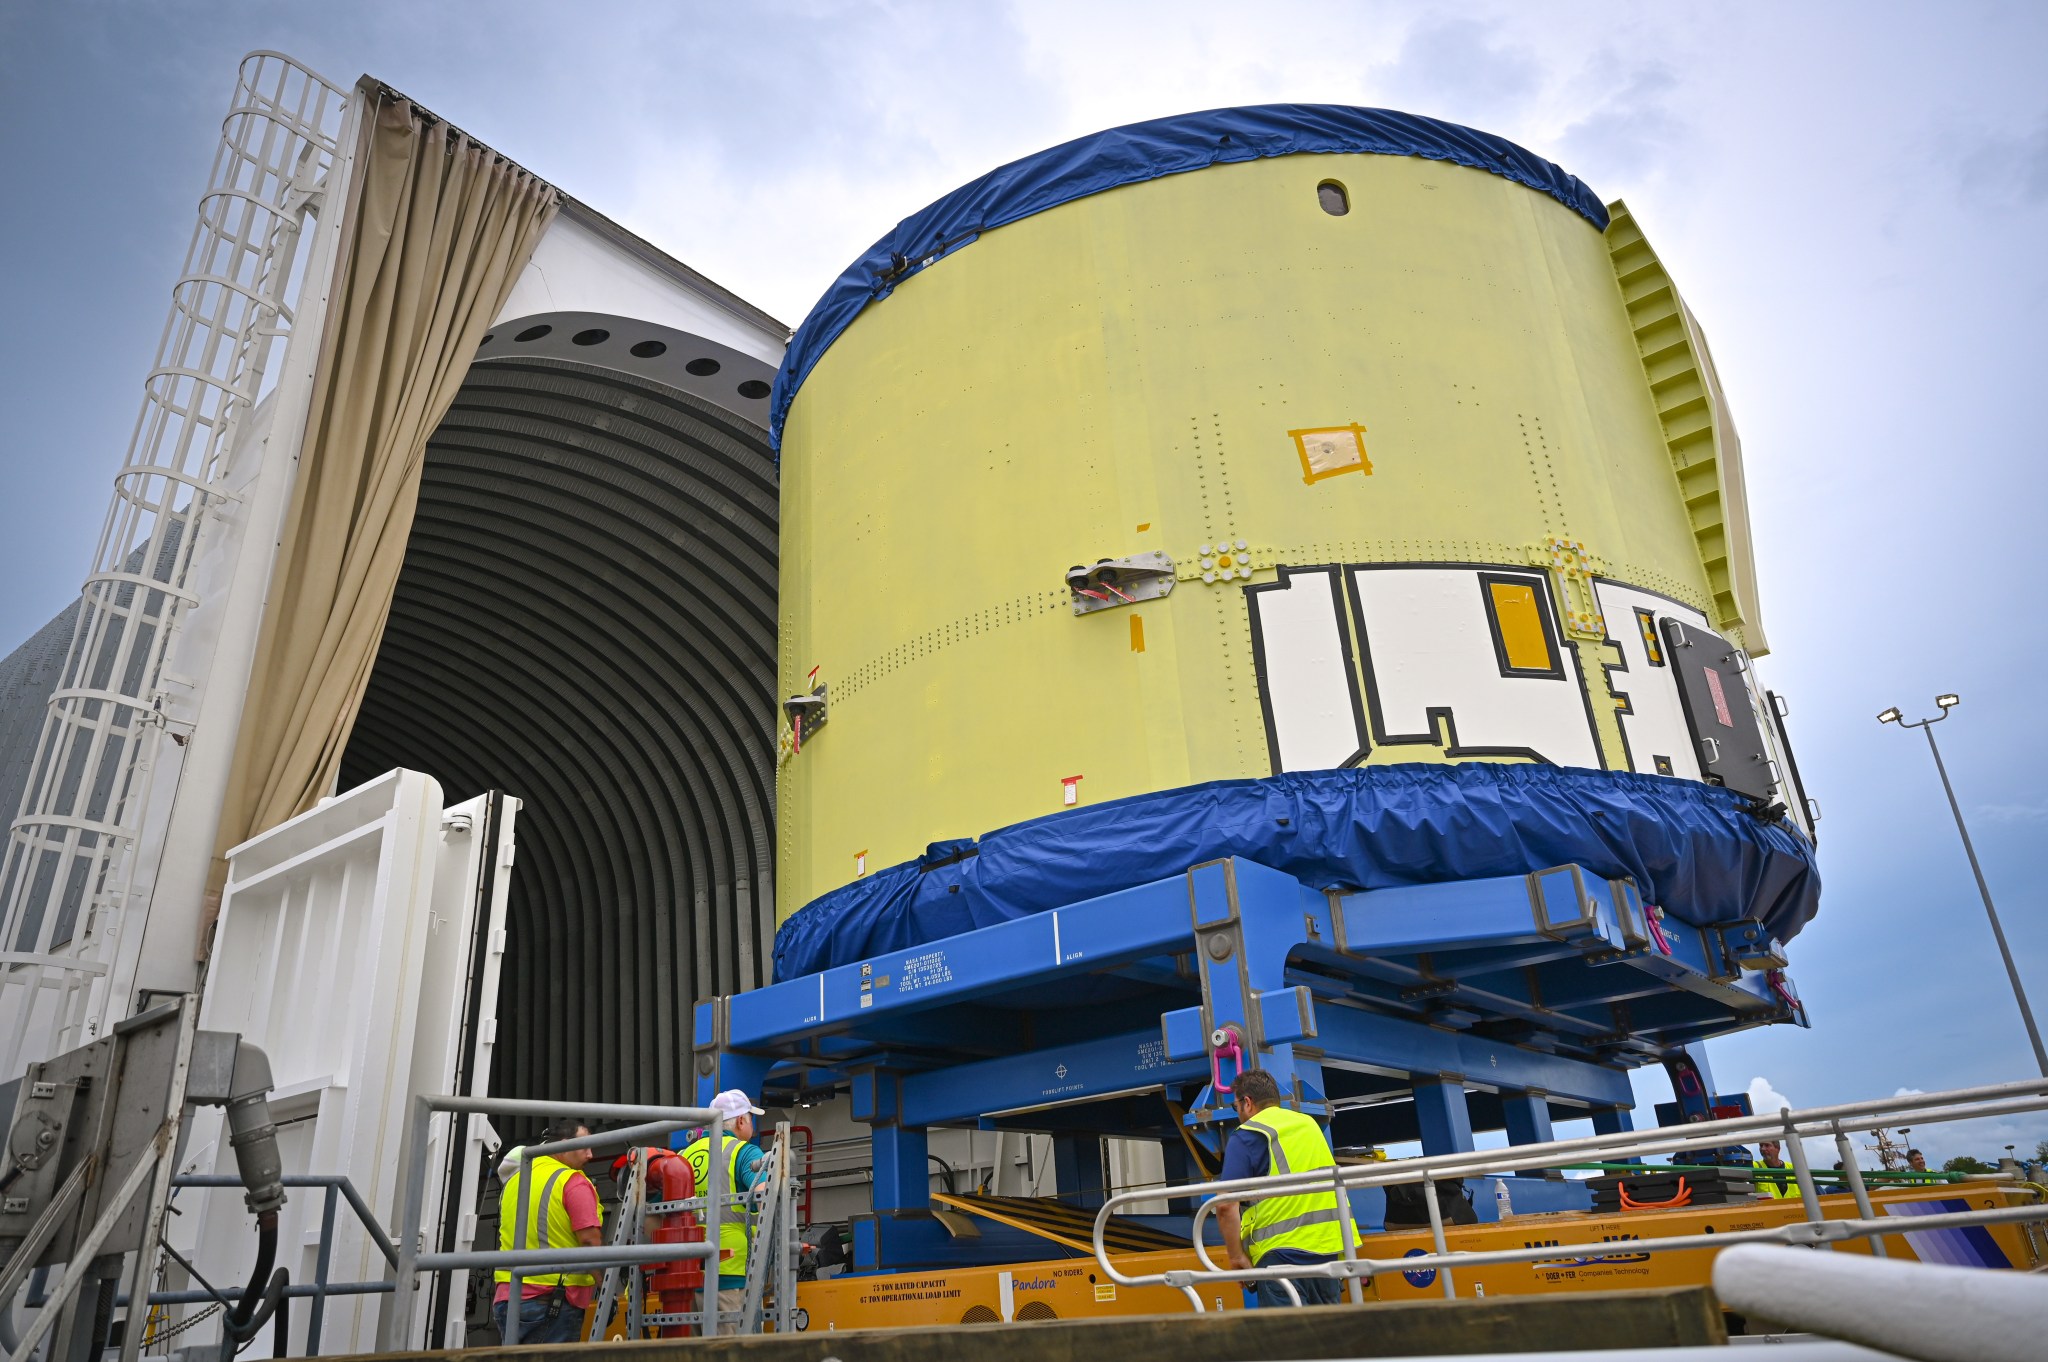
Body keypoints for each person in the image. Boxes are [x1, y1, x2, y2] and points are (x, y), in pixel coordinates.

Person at [1212, 1069, 1349, 1307]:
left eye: (1236, 1107)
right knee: (1329, 1338)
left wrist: (1236, 1257)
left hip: (1281, 1258)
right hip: (1328, 1251)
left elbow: (1225, 1205)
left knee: (1284, 1340)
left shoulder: (1247, 1134)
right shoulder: (1309, 1124)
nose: (1238, 1115)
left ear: (1247, 1102)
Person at [494, 1119, 604, 1345]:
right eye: (586, 1147)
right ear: (564, 1145)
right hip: (552, 1301)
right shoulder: (571, 1181)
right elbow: (589, 1242)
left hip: (507, 1298)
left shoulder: (515, 1180)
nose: (591, 1155)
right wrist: (605, 1287)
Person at [680, 1090, 768, 1332]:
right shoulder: (743, 1152)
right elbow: (765, 1198)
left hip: (687, 1279)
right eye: (751, 1118)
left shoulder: (683, 1156)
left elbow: (655, 1216)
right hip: (732, 1279)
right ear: (741, 1120)